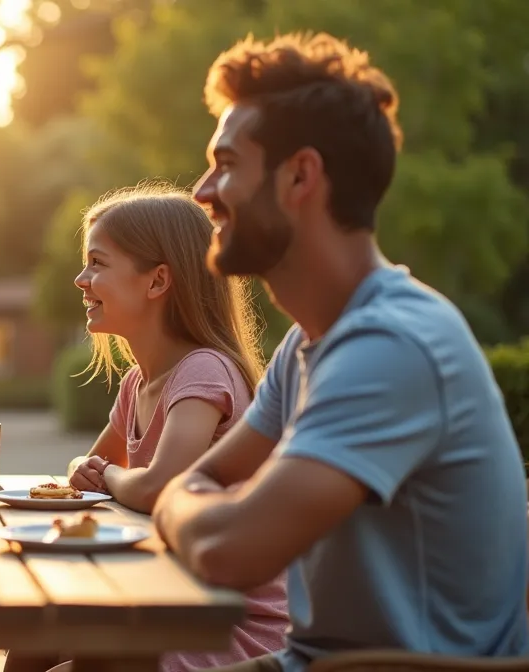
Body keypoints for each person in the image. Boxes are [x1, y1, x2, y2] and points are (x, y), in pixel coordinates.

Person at [152, 32, 529, 671]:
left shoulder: (391, 346)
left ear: (301, 175)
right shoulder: (309, 342)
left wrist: (178, 502)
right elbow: (205, 485)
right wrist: (194, 501)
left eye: (228, 163)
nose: (203, 190)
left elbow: (229, 549)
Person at [4, 185, 287, 672]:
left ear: (157, 281)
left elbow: (159, 487)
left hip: (227, 626)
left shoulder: (203, 371)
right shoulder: (139, 382)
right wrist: (88, 468)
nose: (80, 279)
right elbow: (84, 472)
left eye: (97, 263)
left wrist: (106, 476)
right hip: (173, 603)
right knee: (36, 637)